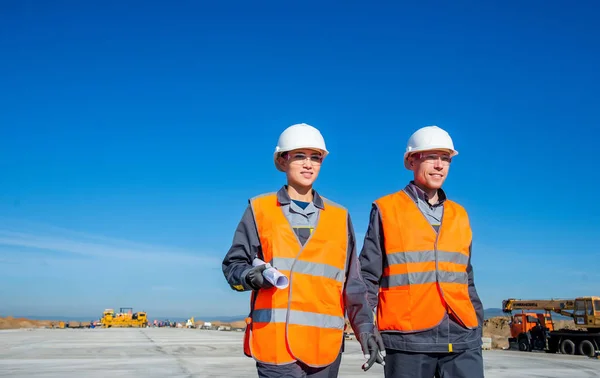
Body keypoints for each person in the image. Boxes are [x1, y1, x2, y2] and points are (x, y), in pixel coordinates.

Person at [222, 123, 385, 378]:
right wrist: (250, 276)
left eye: (315, 157)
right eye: (300, 156)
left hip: (325, 348)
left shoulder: (339, 217)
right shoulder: (260, 210)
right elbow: (233, 265)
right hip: (276, 347)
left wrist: (365, 329)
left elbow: (353, 284)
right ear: (283, 160)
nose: (308, 164)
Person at [358, 125, 485, 378]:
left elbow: (466, 277)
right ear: (412, 159)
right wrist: (365, 326)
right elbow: (367, 276)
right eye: (432, 157)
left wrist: (477, 323)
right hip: (408, 339)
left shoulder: (460, 215)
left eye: (446, 158)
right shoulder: (387, 209)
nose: (440, 165)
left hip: (462, 336)